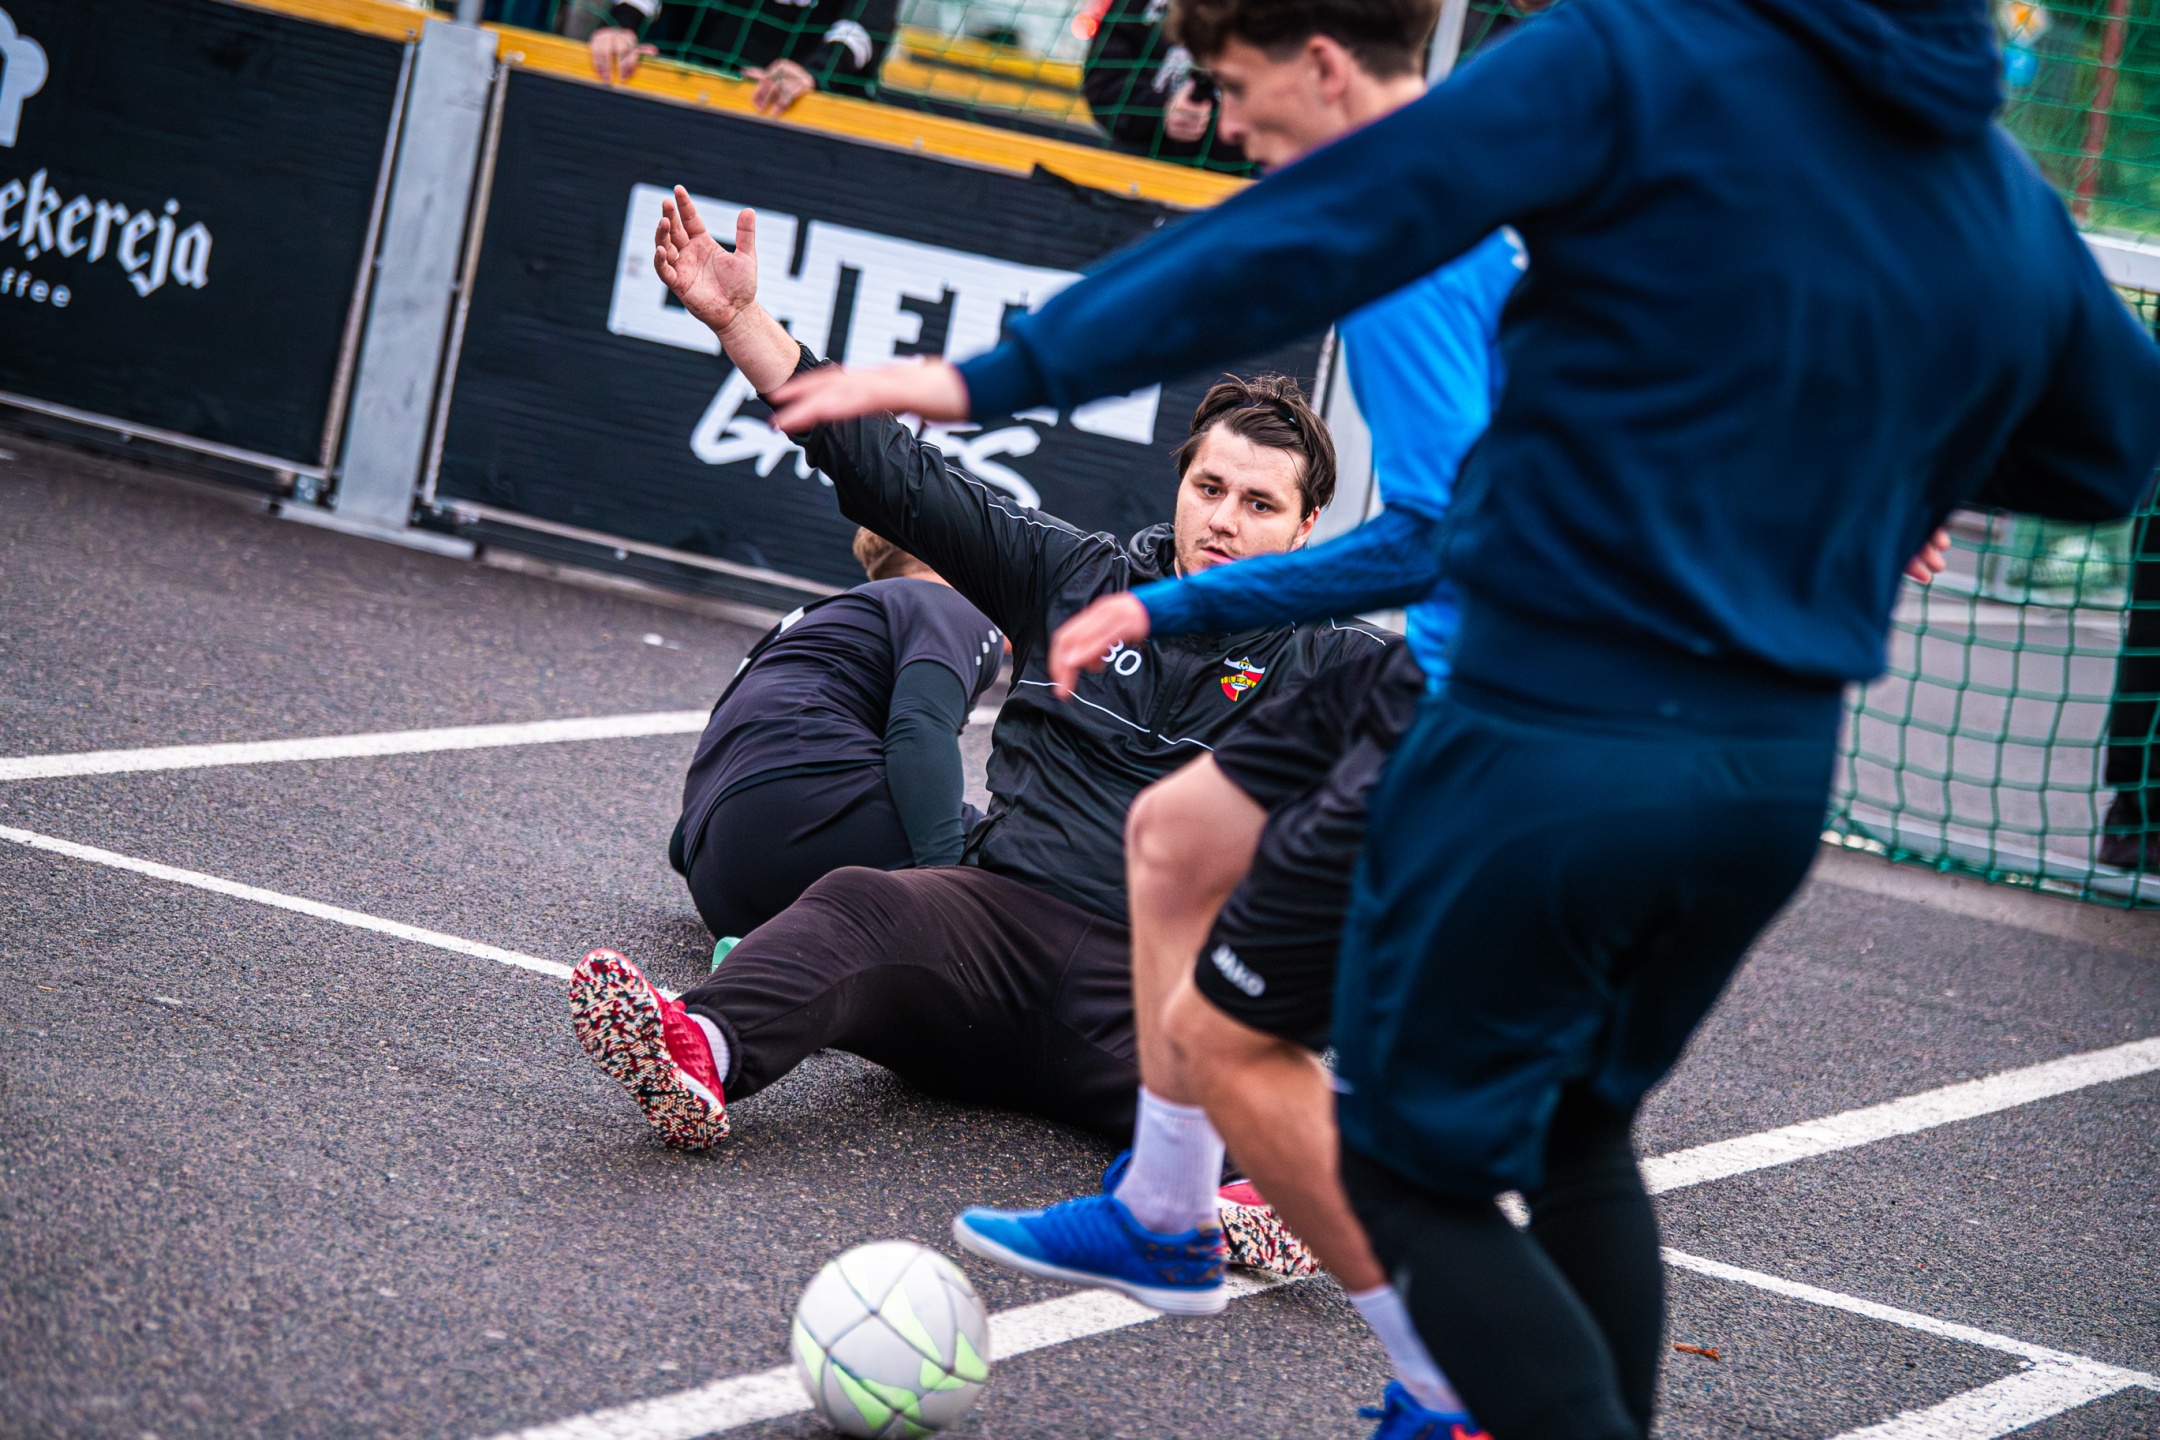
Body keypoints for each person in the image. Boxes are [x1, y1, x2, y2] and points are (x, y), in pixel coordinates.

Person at [760, 0, 2160, 1434]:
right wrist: (1890, 469)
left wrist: (990, 379)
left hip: (1552, 715)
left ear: (1316, 63)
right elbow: (2113, 448)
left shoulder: (1639, 55)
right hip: (1767, 768)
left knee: (1370, 1139)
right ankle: (1167, 1213)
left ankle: (1438, 1386)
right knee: (1549, 1116)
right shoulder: (1979, 172)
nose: (1227, 121)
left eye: (1234, 86)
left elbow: (1295, 252)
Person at [568, 186, 1391, 1161]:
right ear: (1179, 485)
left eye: (1258, 504)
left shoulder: (1338, 662)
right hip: (989, 939)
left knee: (1271, 1048)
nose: (1222, 519)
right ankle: (699, 1051)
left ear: (1304, 528)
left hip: (1144, 994)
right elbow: (896, 473)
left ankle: (1268, 1196)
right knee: (861, 899)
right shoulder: (1072, 576)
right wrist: (744, 321)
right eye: (1209, 487)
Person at [670, 527, 1003, 945]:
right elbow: (920, 731)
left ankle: (782, 959)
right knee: (1024, 858)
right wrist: (950, 884)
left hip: (717, 880)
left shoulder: (814, 620)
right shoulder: (949, 601)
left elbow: (680, 844)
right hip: (809, 816)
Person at [589, 0, 896, 116]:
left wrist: (813, 72)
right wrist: (622, 26)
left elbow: (863, 29)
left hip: (794, 121)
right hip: (683, 98)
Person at [1081, 0, 1245, 167]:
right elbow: (1103, 82)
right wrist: (1162, 111)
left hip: (1231, 171)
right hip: (1137, 161)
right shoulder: (1138, 7)